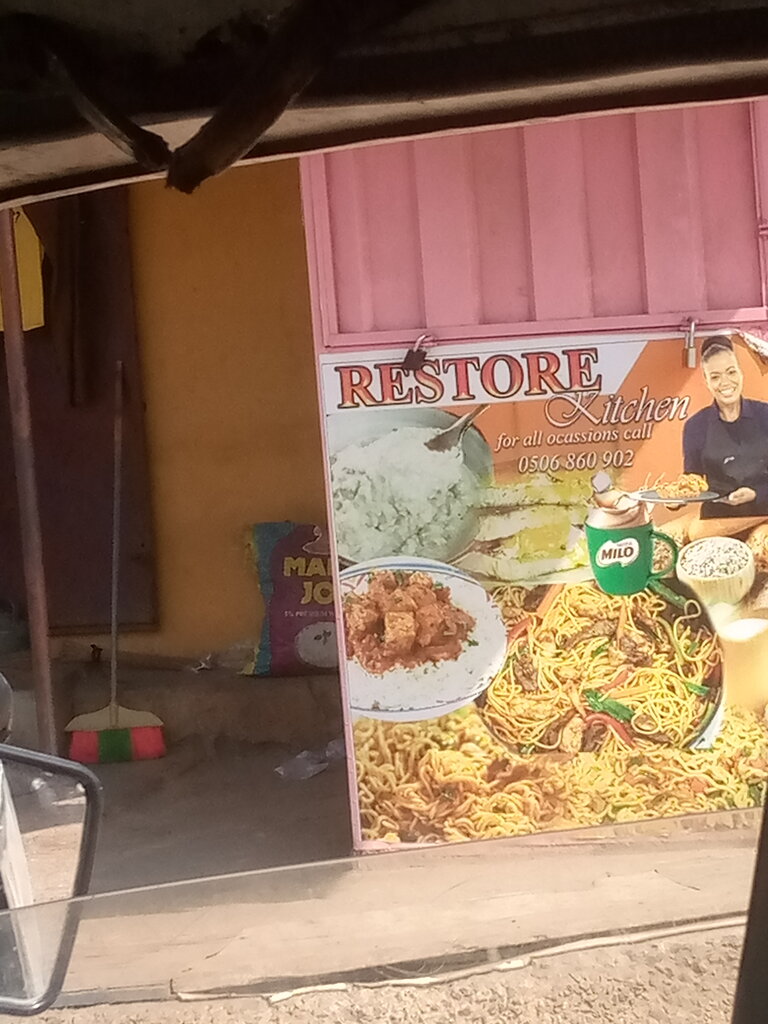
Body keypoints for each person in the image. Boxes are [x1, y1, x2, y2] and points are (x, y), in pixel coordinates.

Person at [683, 335, 768, 519]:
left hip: (764, 518)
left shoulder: (765, 415)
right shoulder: (695, 426)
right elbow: (692, 482)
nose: (725, 382)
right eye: (715, 377)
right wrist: (675, 498)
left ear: (740, 373)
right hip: (717, 521)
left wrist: (757, 492)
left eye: (731, 372)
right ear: (707, 382)